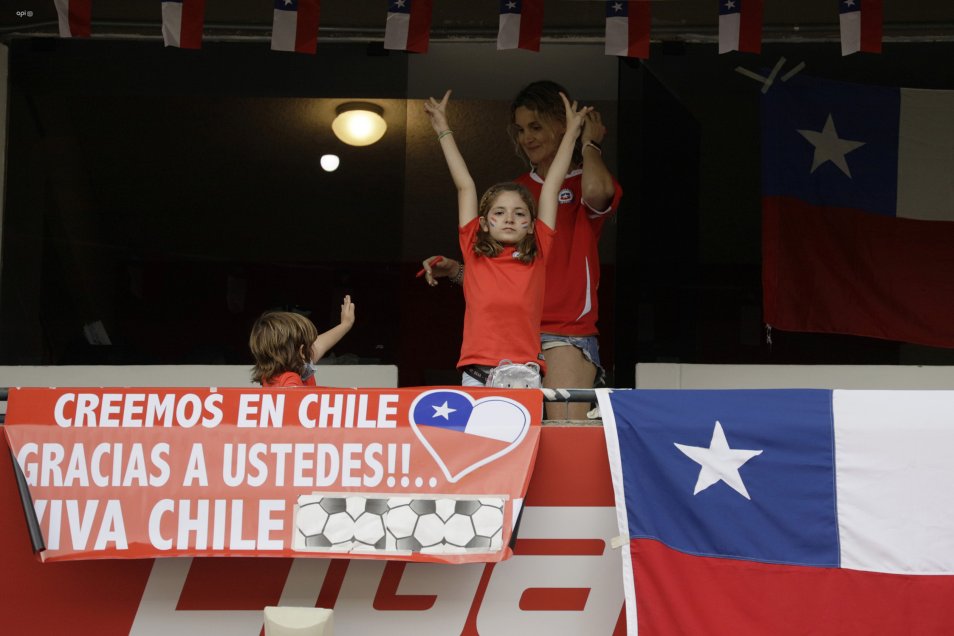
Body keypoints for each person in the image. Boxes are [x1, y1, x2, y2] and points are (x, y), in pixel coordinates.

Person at [422, 81, 622, 417]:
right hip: (505, 346)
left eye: (536, 126)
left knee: (564, 437)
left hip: (565, 331)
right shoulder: (517, 195)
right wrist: (459, 271)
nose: (527, 137)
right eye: (521, 129)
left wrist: (584, 140)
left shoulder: (550, 211)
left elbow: (589, 189)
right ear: (486, 220)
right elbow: (496, 273)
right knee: (497, 443)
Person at [249, 296, 355, 387]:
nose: (313, 347)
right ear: (302, 352)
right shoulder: (290, 380)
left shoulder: (272, 376)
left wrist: (345, 324)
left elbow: (320, 344)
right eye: (309, 345)